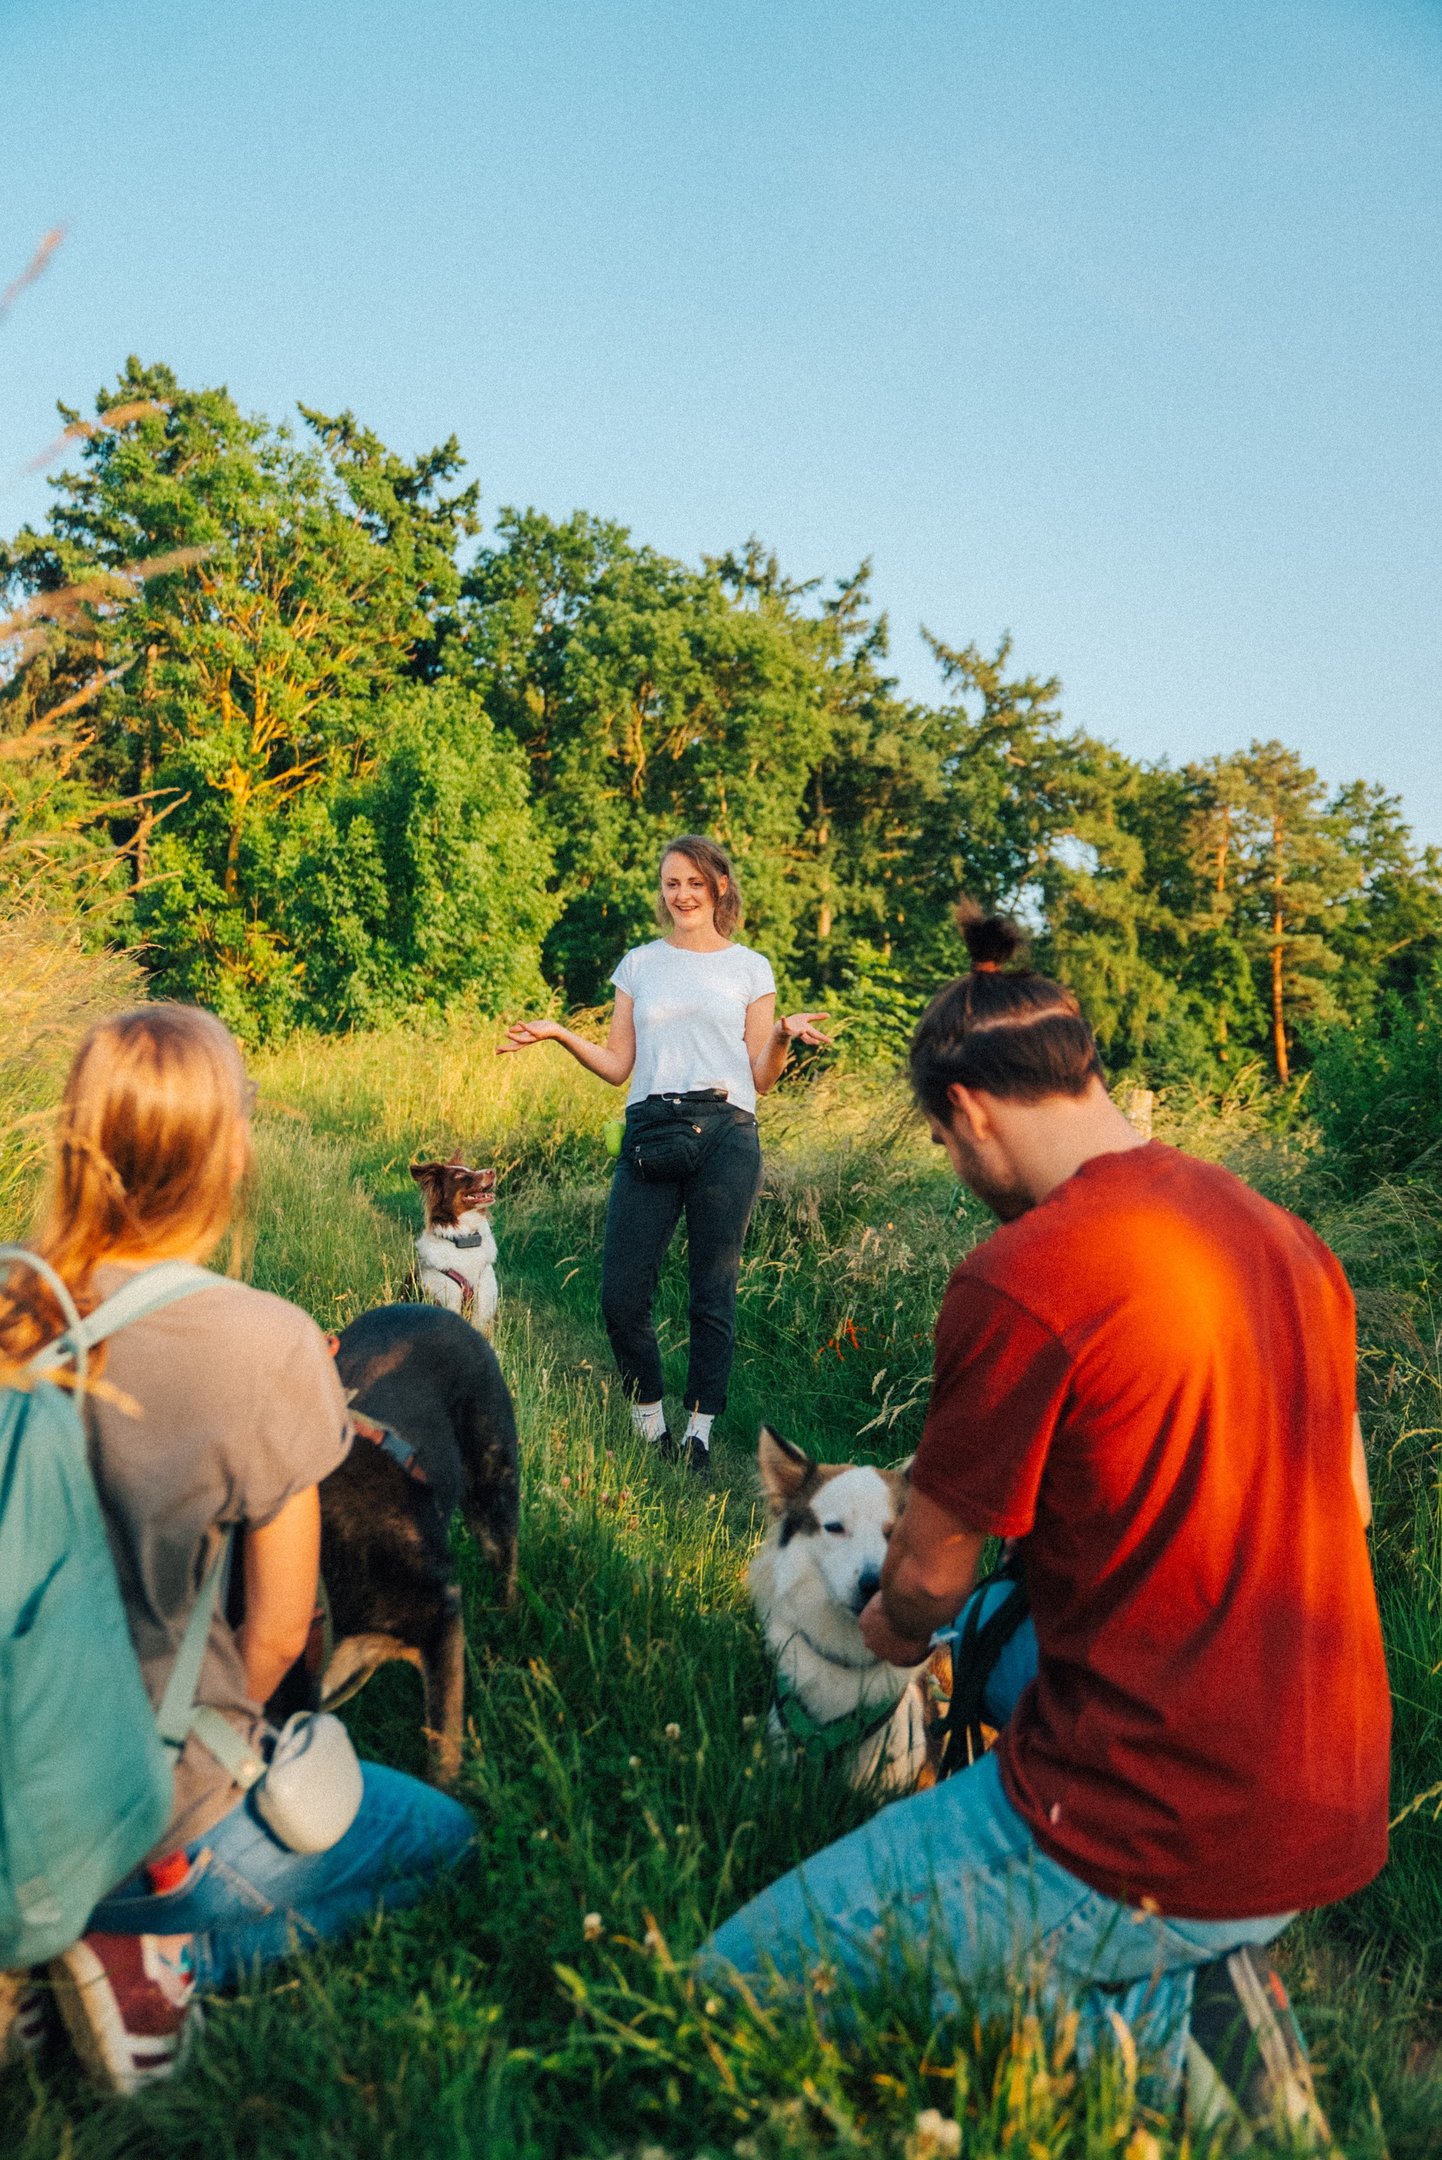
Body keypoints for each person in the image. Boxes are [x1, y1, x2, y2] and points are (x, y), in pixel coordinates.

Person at [701, 907, 1390, 2141]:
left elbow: (919, 1587)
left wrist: (900, 1634)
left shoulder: (1029, 1273)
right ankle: (1188, 1965)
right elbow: (1345, 1504)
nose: (955, 1173)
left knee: (727, 1993)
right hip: (1329, 1789)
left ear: (966, 1110)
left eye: (939, 1140)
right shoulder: (1288, 1242)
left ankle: (1159, 2013)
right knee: (1011, 1631)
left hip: (1150, 1820)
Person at [0, 1005, 473, 2093]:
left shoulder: (11, 1296)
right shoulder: (266, 1341)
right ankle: (144, 1945)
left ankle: (38, 1934)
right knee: (442, 1840)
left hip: (9, 1760)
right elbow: (272, 1635)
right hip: (148, 1800)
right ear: (228, 1156)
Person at [499, 835, 829, 1478]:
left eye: (694, 884)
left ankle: (700, 1431)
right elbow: (620, 1066)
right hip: (650, 1129)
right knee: (621, 1293)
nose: (681, 895)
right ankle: (649, 1418)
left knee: (713, 1290)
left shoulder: (749, 967)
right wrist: (561, 1034)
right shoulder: (639, 964)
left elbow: (762, 1077)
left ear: (720, 888)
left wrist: (785, 1035)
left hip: (727, 1133)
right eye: (671, 884)